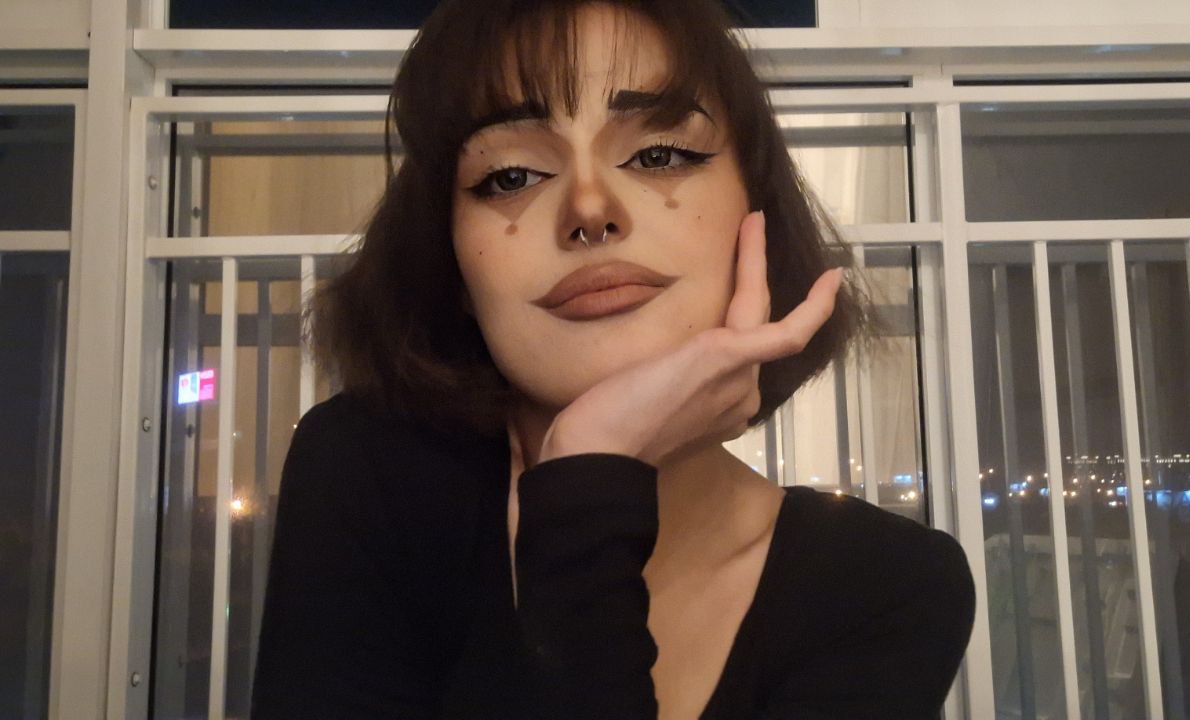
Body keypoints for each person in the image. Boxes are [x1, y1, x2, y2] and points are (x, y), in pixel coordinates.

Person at [250, 0, 976, 717]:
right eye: (511, 176)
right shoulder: (369, 471)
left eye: (659, 155)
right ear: (455, 269)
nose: (590, 209)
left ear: (756, 217)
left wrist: (589, 475)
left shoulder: (889, 586)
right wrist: (590, 474)